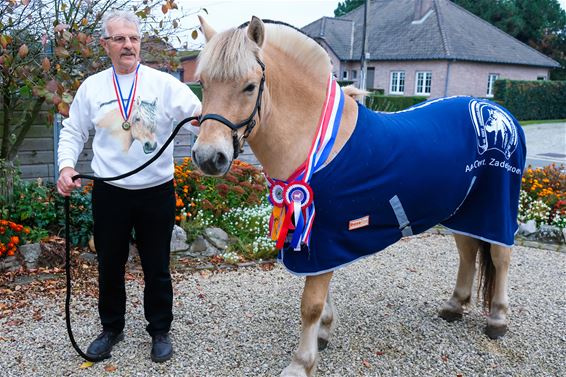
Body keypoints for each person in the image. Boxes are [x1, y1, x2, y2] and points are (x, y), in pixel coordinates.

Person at [56, 9, 201, 363]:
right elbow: (74, 131)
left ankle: (160, 330)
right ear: (105, 44)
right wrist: (65, 166)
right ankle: (111, 328)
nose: (128, 45)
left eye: (133, 39)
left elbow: (199, 117)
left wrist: (213, 125)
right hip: (110, 193)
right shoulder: (92, 87)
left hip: (156, 191)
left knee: (157, 266)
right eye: (119, 39)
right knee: (109, 264)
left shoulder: (164, 84)